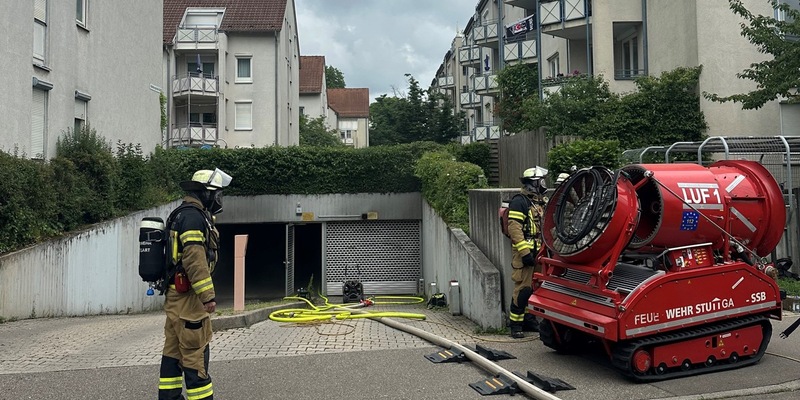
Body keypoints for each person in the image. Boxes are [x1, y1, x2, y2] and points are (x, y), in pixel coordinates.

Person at [158, 168, 232, 400]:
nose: (219, 199)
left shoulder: (181, 214)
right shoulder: (193, 218)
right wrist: (207, 296)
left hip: (175, 297)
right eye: (217, 194)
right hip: (189, 299)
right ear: (206, 193)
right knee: (194, 354)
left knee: (172, 353)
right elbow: (194, 259)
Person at [507, 166, 547, 339]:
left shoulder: (539, 203)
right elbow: (514, 229)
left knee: (535, 289)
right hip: (525, 254)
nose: (544, 184)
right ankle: (515, 325)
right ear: (533, 183)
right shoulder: (519, 202)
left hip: (539, 254)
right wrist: (524, 253)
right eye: (541, 181)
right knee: (523, 289)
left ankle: (529, 320)